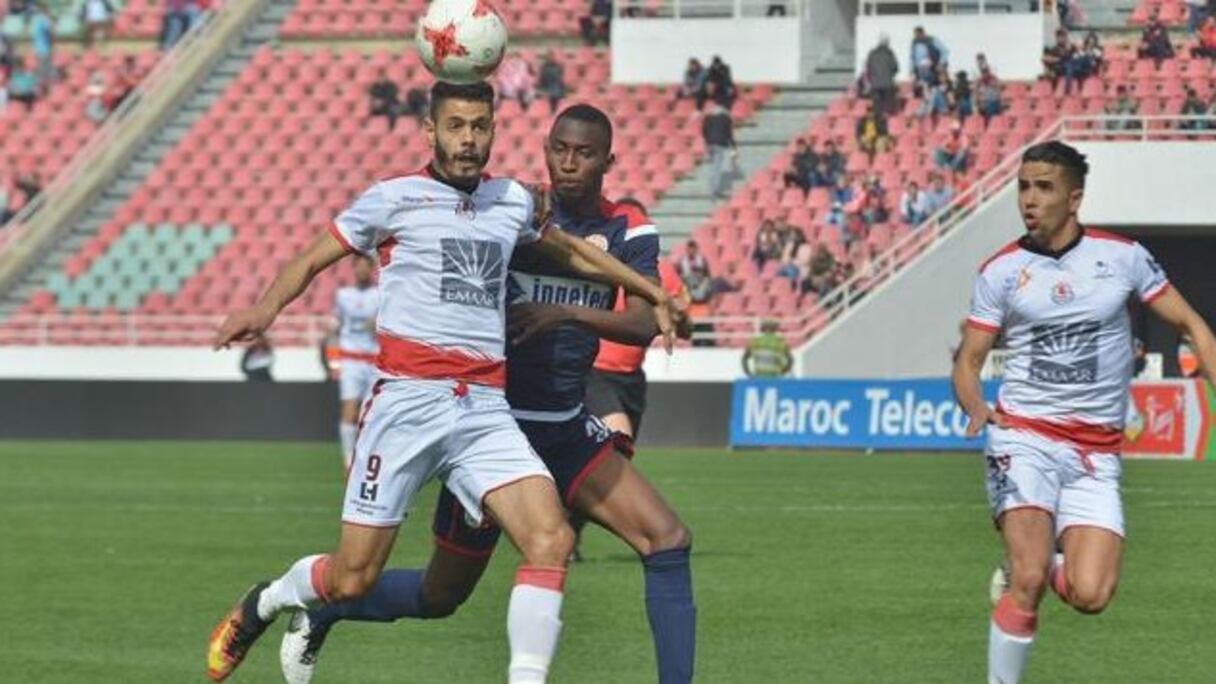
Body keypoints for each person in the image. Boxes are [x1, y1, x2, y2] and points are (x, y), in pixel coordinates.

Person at [203, 82, 677, 684]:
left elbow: (578, 256)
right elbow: (309, 260)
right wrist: (263, 310)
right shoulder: (392, 199)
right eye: (456, 126)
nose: (469, 139)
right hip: (405, 402)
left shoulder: (510, 200)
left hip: (482, 406)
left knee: (551, 538)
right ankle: (265, 602)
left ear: (494, 132)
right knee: (353, 577)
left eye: (480, 126)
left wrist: (652, 291)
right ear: (431, 132)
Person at [953, 140, 1216, 684]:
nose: (1029, 199)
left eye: (1043, 188)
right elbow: (969, 361)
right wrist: (976, 404)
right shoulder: (1001, 270)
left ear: (1074, 198)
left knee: (1091, 594)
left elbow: (1190, 324)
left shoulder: (1122, 257)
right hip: (1023, 437)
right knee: (1026, 581)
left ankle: (1045, 566)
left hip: (1096, 453)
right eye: (1024, 186)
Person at [332, 254, 379, 468]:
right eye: (357, 266)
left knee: (372, 414)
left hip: (374, 360)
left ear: (372, 269)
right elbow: (337, 327)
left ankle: (368, 457)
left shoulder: (381, 294)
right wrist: (332, 361)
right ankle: (348, 459)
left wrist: (377, 325)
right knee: (349, 409)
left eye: (365, 267)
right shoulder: (343, 295)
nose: (361, 270)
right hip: (351, 359)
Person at [701, 101, 737, 199]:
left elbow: (704, 131)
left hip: (710, 144)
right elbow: (729, 133)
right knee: (716, 168)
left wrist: (707, 141)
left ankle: (712, 189)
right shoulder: (726, 119)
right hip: (720, 144)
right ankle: (713, 191)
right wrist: (734, 147)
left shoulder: (708, 118)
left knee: (713, 166)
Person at [864, 34, 899, 116]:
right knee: (888, 109)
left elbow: (868, 67)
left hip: (875, 84)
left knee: (877, 107)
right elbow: (895, 68)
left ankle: (878, 122)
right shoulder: (889, 53)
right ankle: (888, 123)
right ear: (887, 43)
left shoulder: (872, 53)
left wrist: (872, 79)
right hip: (888, 84)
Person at [30, 3, 53, 94]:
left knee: (41, 70)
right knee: (44, 71)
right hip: (44, 49)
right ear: (46, 11)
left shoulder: (36, 20)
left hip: (38, 49)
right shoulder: (44, 20)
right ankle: (44, 91)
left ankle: (40, 90)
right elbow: (50, 32)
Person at [976, 55, 1003, 122]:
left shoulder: (993, 79)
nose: (984, 73)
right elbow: (976, 94)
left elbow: (998, 92)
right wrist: (979, 103)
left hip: (993, 103)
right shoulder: (979, 81)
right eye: (983, 72)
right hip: (984, 105)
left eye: (985, 71)